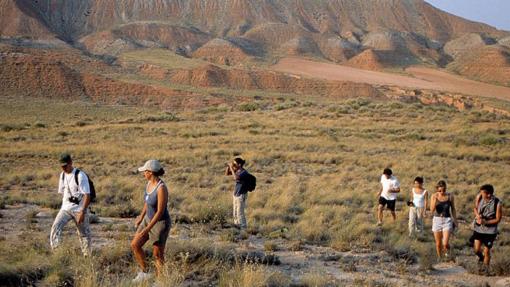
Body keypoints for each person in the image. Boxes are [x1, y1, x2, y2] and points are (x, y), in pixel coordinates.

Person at [131, 160, 171, 283]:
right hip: (148, 220)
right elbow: (147, 202)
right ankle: (145, 272)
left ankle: (160, 281)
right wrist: (141, 217)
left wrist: (147, 229)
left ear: (150, 172)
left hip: (160, 224)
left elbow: (160, 211)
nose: (143, 173)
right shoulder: (149, 183)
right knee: (135, 245)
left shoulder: (161, 188)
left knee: (157, 254)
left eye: (145, 171)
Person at [50, 153, 92, 256]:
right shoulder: (62, 175)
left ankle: (87, 257)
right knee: (55, 229)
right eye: (62, 166)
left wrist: (82, 212)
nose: (63, 168)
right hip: (65, 209)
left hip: (79, 209)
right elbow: (63, 192)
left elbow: (87, 195)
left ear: (70, 163)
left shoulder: (80, 175)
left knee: (84, 234)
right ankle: (58, 254)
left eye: (65, 165)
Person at [472, 184, 503, 267]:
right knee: (476, 250)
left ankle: (485, 269)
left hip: (490, 231)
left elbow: (498, 219)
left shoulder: (497, 203)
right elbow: (475, 208)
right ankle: (481, 258)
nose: (481, 194)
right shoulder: (479, 197)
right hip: (479, 228)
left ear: (489, 194)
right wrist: (477, 215)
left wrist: (485, 222)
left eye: (483, 193)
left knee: (486, 251)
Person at [430, 180, 458, 260]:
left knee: (445, 243)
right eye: (440, 190)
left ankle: (450, 253)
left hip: (447, 220)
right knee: (438, 244)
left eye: (444, 190)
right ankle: (440, 258)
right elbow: (431, 210)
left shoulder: (450, 196)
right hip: (437, 220)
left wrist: (455, 220)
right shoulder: (433, 196)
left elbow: (453, 209)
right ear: (437, 189)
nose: (442, 192)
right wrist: (435, 201)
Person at [225, 157, 250, 229]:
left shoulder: (243, 172)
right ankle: (237, 226)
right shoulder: (237, 170)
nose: (234, 165)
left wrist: (231, 168)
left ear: (239, 164)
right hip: (236, 194)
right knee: (235, 212)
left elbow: (235, 178)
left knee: (240, 212)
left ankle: (243, 228)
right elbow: (227, 174)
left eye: (235, 164)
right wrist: (229, 167)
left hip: (241, 195)